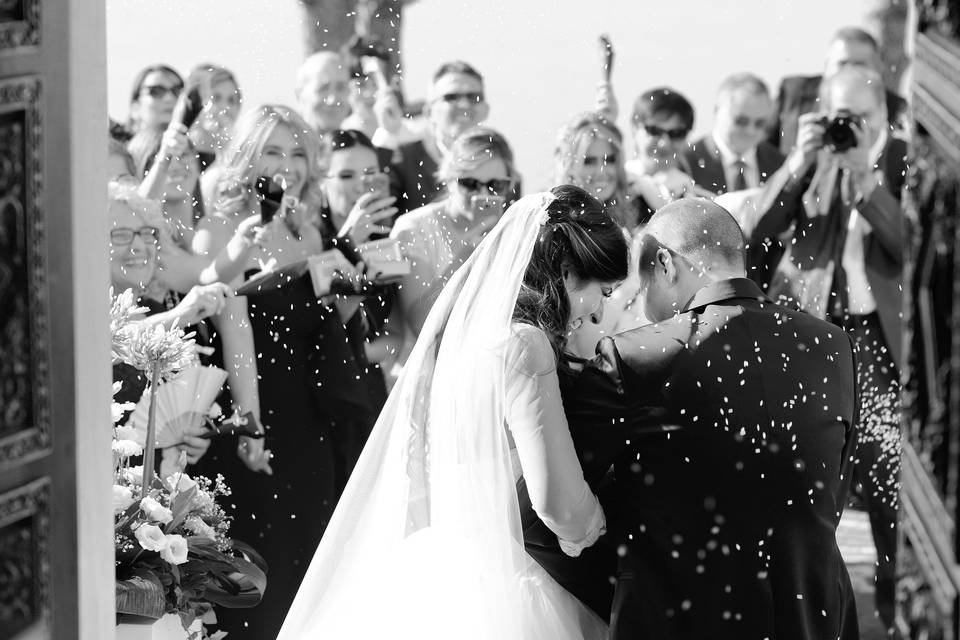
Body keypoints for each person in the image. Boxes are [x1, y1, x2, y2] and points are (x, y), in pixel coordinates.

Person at [280, 186, 629, 640]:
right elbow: (555, 499)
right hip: (514, 577)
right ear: (564, 273)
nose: (601, 311)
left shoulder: (463, 337)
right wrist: (598, 525)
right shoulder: (525, 344)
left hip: (448, 561)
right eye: (601, 291)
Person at [567, 198, 860, 639]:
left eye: (639, 283)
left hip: (680, 617)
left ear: (665, 263)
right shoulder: (832, 346)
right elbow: (831, 486)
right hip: (811, 614)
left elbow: (567, 494)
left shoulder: (633, 357)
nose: (639, 302)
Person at [193, 105, 369, 639]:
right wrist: (252, 425)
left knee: (308, 569)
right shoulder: (221, 229)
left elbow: (324, 327)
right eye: (272, 150)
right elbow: (235, 333)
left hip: (309, 419)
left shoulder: (308, 227)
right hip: (251, 418)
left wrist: (349, 284)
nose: (286, 164)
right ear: (247, 156)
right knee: (254, 580)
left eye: (296, 152)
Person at [750, 65, 905, 632]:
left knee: (888, 488)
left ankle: (896, 615)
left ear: (884, 117)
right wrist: (797, 163)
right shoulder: (809, 159)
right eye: (839, 117)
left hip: (880, 346)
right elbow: (757, 234)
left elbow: (912, 243)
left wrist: (867, 179)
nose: (848, 129)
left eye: (860, 120)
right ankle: (806, 619)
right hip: (813, 339)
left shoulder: (905, 161)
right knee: (806, 488)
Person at [391, 126, 516, 341]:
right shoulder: (413, 228)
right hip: (433, 369)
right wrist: (470, 254)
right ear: (449, 179)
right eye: (469, 184)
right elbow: (421, 324)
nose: (483, 194)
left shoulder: (515, 230)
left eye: (496, 185)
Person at [768, 26, 908, 155]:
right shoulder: (793, 93)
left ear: (878, 67)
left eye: (859, 64)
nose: (850, 71)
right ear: (826, 65)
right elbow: (761, 152)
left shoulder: (896, 108)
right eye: (842, 63)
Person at [388, 61, 492, 214]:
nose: (464, 105)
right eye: (452, 97)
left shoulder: (501, 167)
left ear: (485, 110)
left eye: (473, 97)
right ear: (429, 112)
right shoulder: (402, 161)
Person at [685, 73, 784, 195]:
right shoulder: (686, 162)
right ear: (717, 111)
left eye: (760, 123)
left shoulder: (780, 165)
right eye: (741, 121)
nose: (750, 131)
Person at [624, 87, 708, 217]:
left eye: (676, 133)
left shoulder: (700, 200)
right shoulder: (613, 188)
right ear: (634, 127)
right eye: (654, 131)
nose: (664, 143)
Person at [184, 63, 242, 172]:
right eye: (216, 98)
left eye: (232, 100)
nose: (225, 107)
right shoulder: (179, 153)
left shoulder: (241, 159)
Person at [126, 64, 183, 136]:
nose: (169, 98)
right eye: (156, 91)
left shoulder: (196, 145)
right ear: (135, 108)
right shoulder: (113, 145)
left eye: (178, 91)